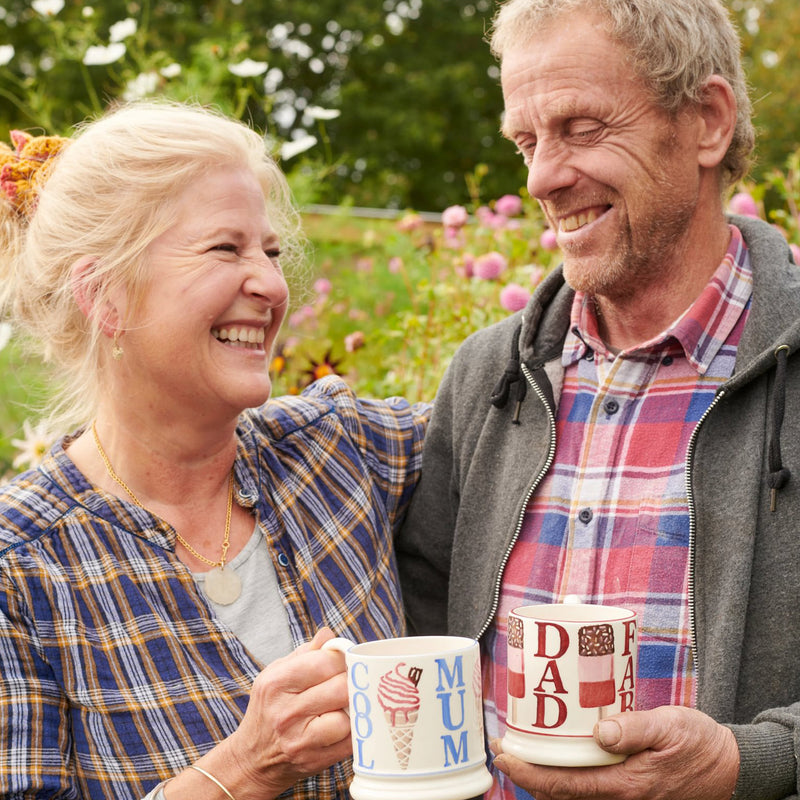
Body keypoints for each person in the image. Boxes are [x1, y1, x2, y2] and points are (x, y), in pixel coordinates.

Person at [396, 0, 800, 798]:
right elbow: (420, 619)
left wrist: (748, 762)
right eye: (526, 140)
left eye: (581, 128)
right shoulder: (487, 377)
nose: (543, 175)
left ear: (708, 123)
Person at [0, 101, 429, 800]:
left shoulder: (341, 450)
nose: (270, 284)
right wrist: (247, 766)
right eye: (226, 249)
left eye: (270, 250)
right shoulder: (22, 568)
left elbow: (526, 417)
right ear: (103, 295)